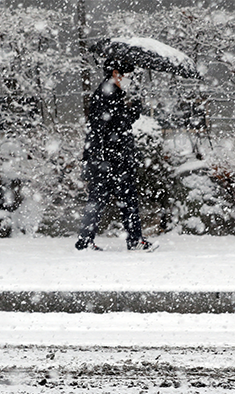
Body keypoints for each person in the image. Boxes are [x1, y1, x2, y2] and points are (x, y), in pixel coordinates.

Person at [75, 58, 155, 252]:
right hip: (108, 160)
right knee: (105, 201)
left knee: (122, 200)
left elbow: (119, 123)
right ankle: (88, 242)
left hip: (114, 158)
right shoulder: (105, 94)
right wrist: (101, 158)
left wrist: (134, 108)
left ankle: (131, 240)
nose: (129, 79)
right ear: (115, 74)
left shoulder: (114, 94)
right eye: (127, 75)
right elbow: (102, 128)